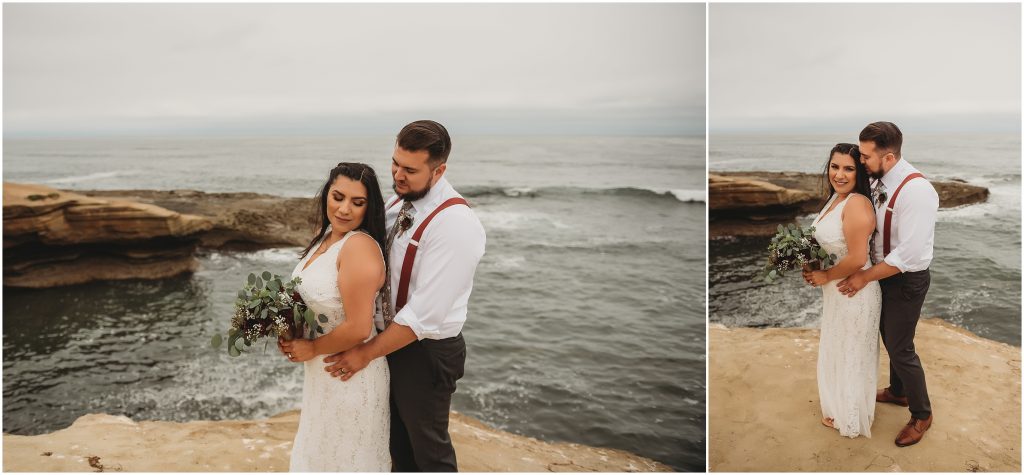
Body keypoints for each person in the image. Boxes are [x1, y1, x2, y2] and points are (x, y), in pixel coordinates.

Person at [323, 120, 486, 471]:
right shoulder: (402, 200)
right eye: (395, 163)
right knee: (398, 447)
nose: (397, 174)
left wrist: (364, 353)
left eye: (410, 169)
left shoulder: (455, 225)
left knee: (429, 453)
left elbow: (424, 315)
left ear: (439, 169)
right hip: (390, 342)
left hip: (425, 353)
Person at [278, 162, 391, 471]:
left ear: (369, 208)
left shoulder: (358, 247)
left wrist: (313, 348)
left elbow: (358, 328)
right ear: (327, 193)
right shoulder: (325, 236)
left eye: (358, 202)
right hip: (323, 374)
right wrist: (287, 329)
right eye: (338, 197)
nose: (344, 209)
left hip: (349, 375)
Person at [837, 121, 938, 447]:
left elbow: (907, 255)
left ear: (890, 157)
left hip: (906, 279)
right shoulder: (878, 178)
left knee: (900, 347)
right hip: (883, 272)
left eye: (865, 156)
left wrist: (864, 276)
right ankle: (898, 392)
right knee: (887, 335)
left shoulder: (917, 192)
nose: (861, 161)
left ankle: (922, 414)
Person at [802, 143, 880, 438]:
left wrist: (826, 275)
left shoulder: (857, 203)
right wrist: (808, 265)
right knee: (839, 345)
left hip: (853, 291)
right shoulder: (835, 198)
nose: (840, 174)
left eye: (848, 168)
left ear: (859, 172)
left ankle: (850, 415)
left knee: (851, 350)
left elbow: (858, 258)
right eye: (835, 166)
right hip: (838, 289)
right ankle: (839, 405)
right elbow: (824, 242)